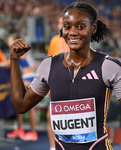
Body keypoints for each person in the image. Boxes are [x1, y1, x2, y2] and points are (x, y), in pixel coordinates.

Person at [9, 1, 121, 150]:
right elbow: (21, 105)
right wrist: (14, 60)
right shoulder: (49, 66)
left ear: (93, 28)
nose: (72, 32)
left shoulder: (108, 67)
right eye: (67, 26)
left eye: (80, 26)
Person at [6, 33, 38, 141]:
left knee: (31, 106)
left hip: (30, 79)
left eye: (10, 40)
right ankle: (19, 129)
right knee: (17, 102)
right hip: (24, 79)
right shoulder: (14, 53)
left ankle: (33, 132)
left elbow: (28, 70)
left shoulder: (22, 53)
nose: (8, 42)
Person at [46, 15, 69, 150]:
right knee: (51, 116)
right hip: (56, 83)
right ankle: (53, 147)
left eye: (64, 23)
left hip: (74, 84)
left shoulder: (76, 39)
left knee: (71, 118)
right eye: (59, 23)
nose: (60, 25)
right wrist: (48, 86)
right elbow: (49, 63)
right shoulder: (54, 40)